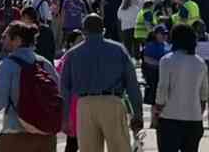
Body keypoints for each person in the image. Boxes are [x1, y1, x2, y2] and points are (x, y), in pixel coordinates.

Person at [59, 14, 143, 152]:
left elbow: (65, 88)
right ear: (103, 30)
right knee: (119, 148)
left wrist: (65, 117)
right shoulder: (118, 49)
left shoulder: (72, 54)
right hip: (112, 102)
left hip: (85, 105)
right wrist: (137, 113)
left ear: (83, 31)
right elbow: (132, 84)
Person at [0, 21, 60, 151]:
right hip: (46, 135)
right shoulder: (44, 63)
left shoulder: (6, 65)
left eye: (5, 37)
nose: (2, 40)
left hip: (15, 133)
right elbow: (58, 92)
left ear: (17, 40)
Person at [154, 23, 209, 152]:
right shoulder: (200, 63)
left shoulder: (166, 60)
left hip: (170, 118)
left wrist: (158, 107)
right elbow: (204, 93)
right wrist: (200, 109)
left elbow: (162, 88)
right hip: (193, 119)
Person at [57, 30, 85, 152]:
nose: (83, 44)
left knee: (77, 141)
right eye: (79, 42)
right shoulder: (66, 60)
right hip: (73, 106)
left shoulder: (81, 58)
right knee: (74, 141)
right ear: (70, 44)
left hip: (82, 105)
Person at [143, 24, 171, 107]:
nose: (164, 36)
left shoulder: (167, 45)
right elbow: (147, 59)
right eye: (162, 33)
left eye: (165, 33)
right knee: (155, 104)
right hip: (153, 77)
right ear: (155, 34)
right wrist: (161, 63)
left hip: (165, 76)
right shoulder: (150, 45)